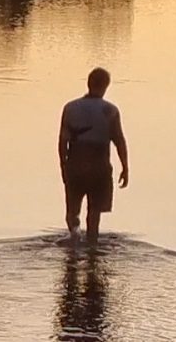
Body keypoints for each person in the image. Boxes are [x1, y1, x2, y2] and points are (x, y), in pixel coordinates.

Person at [58, 67, 129, 245]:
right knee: (94, 212)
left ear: (88, 83)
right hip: (100, 165)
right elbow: (119, 140)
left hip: (76, 163)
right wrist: (125, 167)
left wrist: (63, 165)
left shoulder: (70, 108)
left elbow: (62, 141)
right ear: (106, 86)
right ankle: (91, 246)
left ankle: (74, 236)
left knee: (72, 211)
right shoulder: (110, 110)